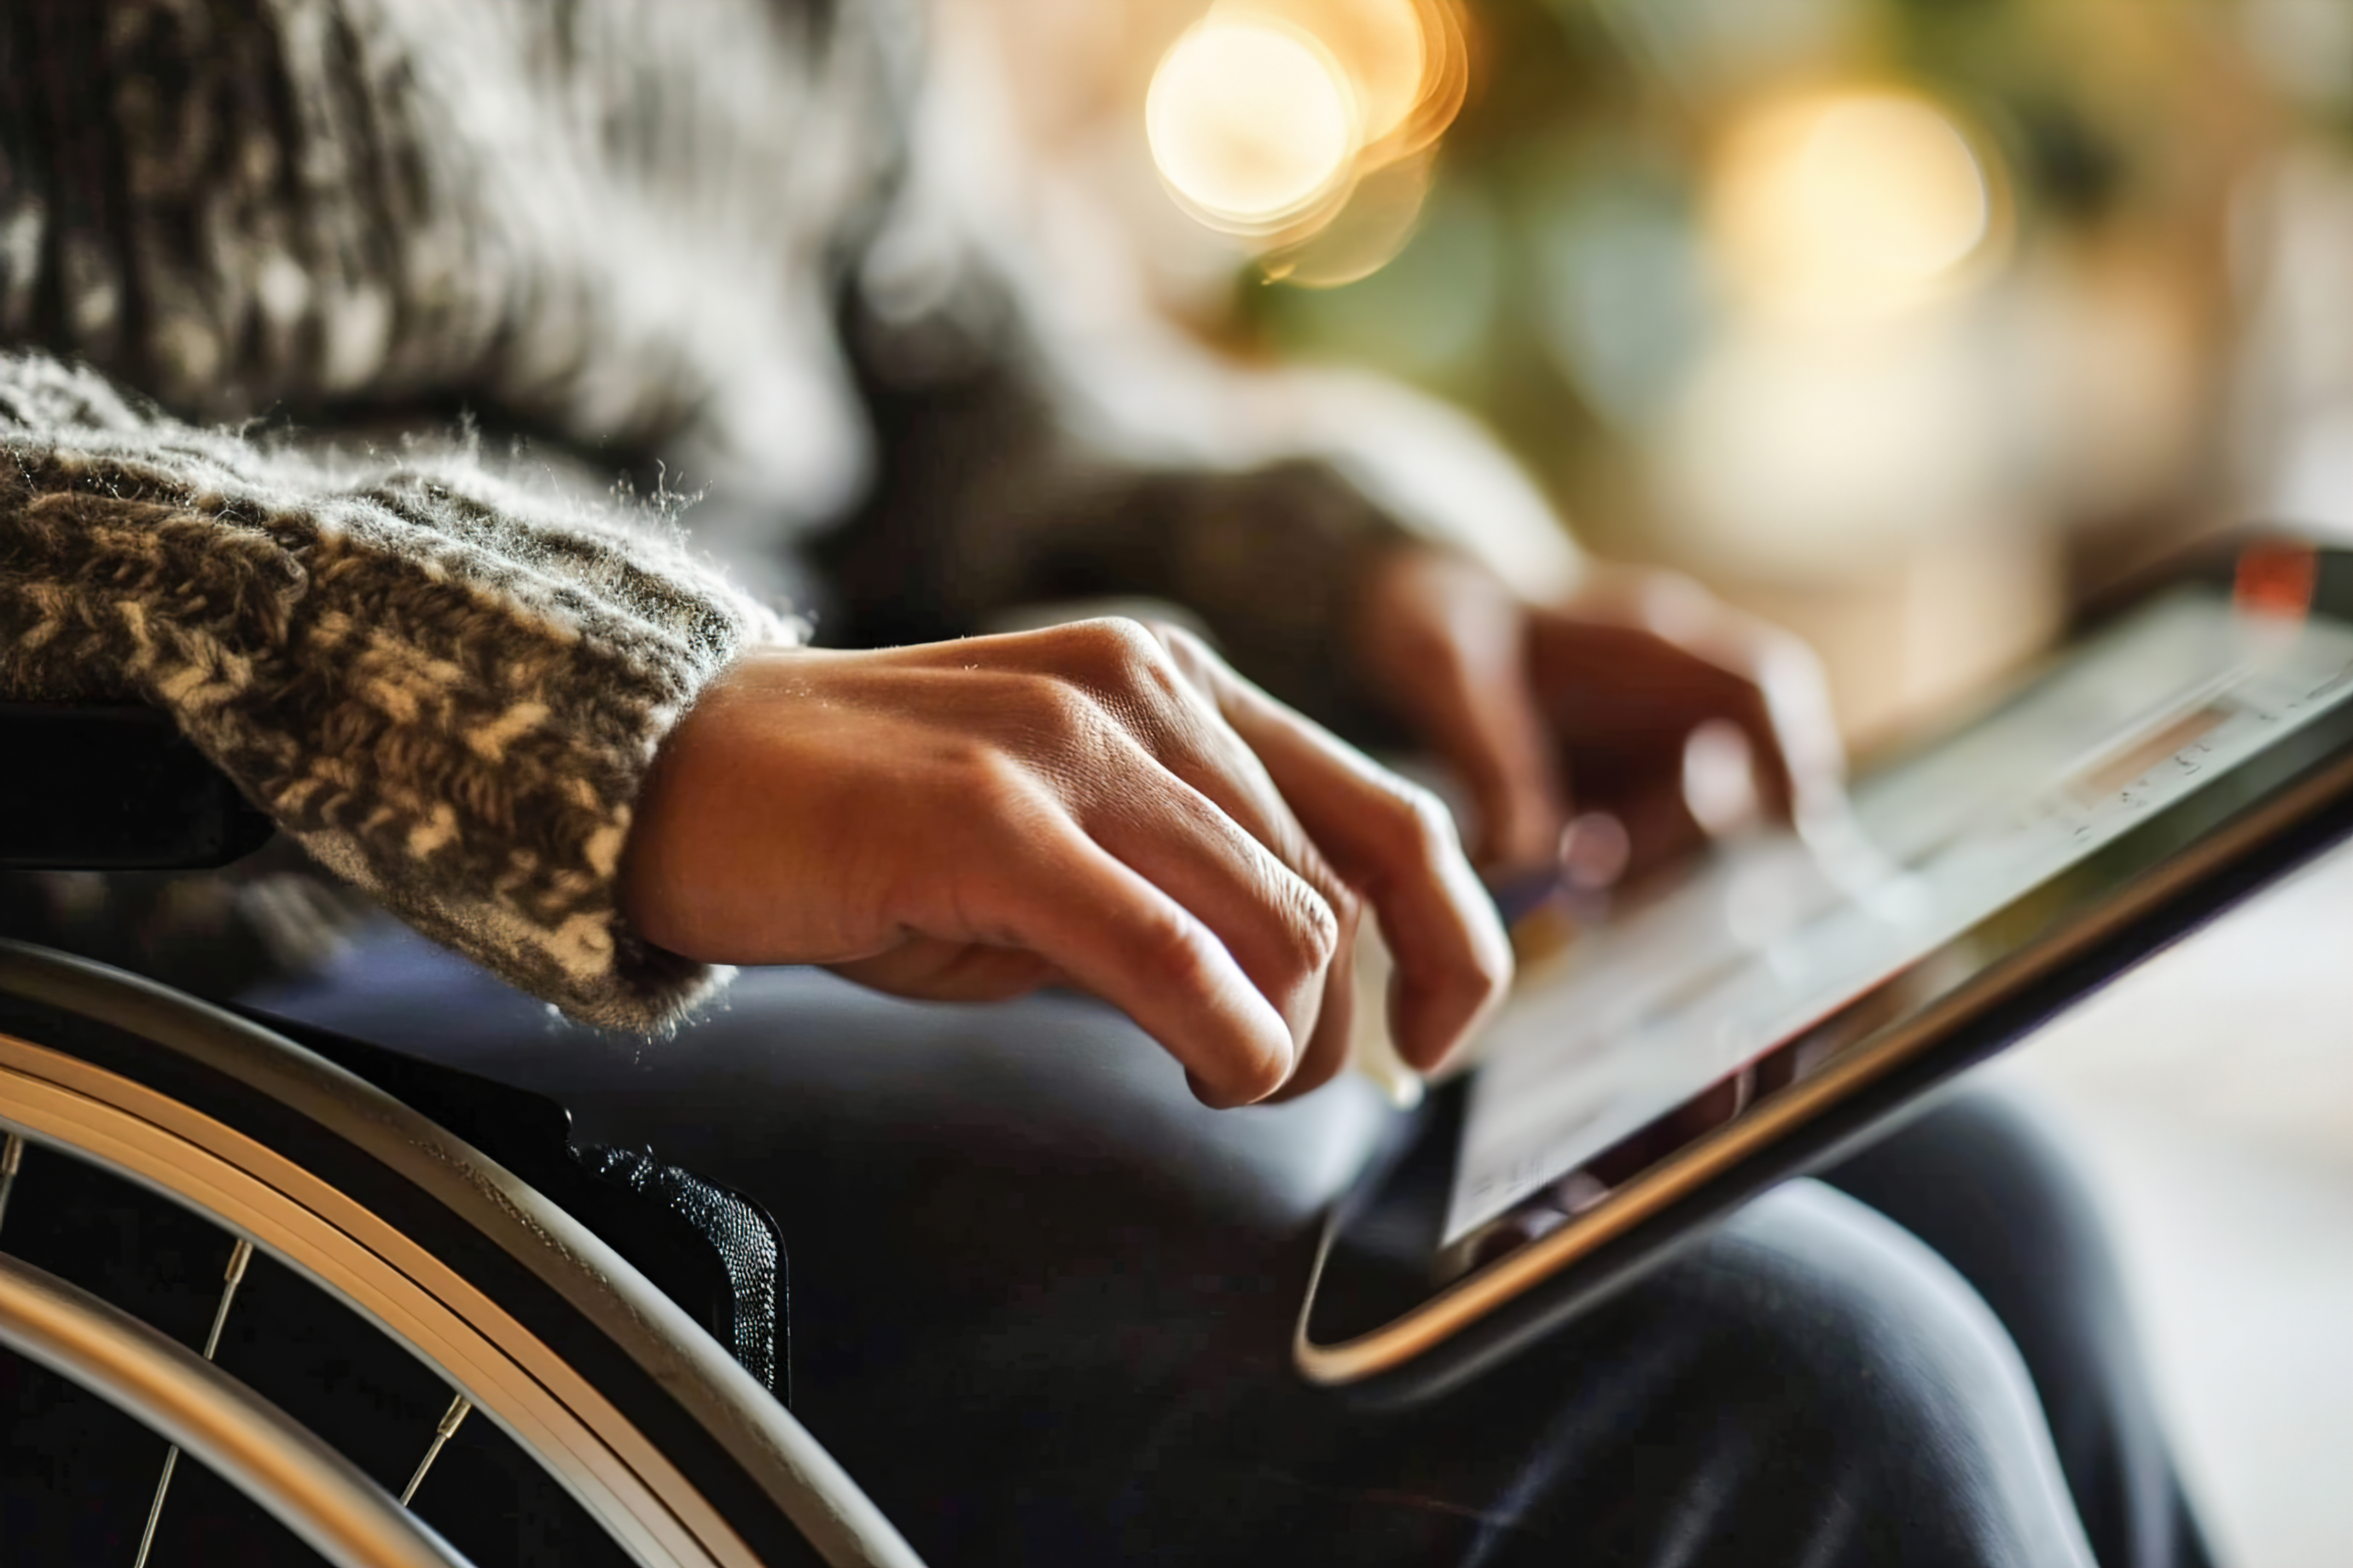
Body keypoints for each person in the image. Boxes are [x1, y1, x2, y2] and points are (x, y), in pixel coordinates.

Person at [0, 2, 2208, 1564]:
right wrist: (571, 719)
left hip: (743, 802)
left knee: (1955, 1163)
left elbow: (947, 364)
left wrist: (1367, 576)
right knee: (1767, 1388)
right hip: (190, 958)